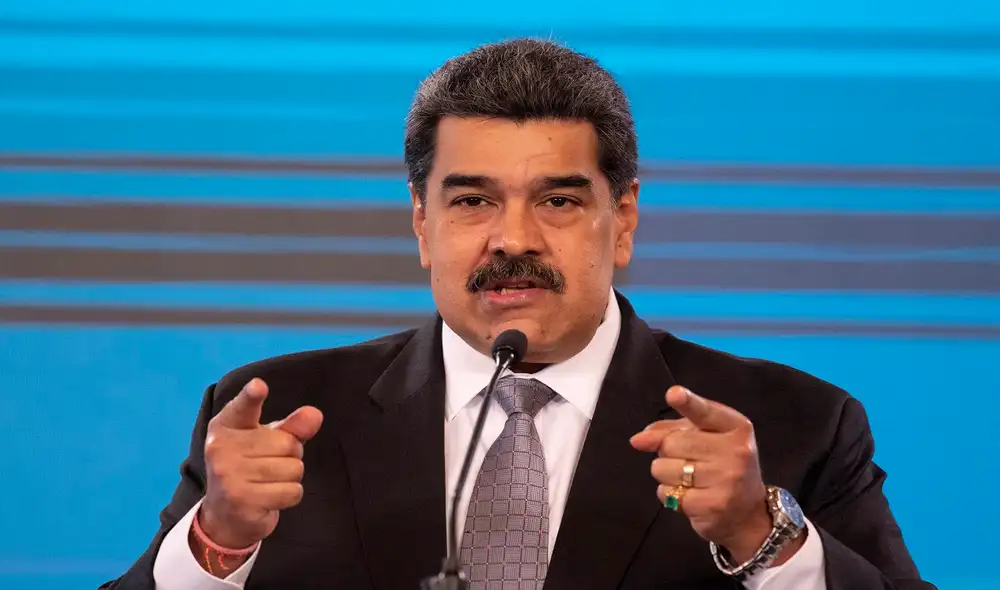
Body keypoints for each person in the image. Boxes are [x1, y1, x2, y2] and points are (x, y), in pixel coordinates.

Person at [102, 38, 935, 590]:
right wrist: (216, 544)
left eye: (559, 200)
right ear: (422, 225)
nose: (514, 240)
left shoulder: (792, 425)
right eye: (471, 200)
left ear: (626, 220)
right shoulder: (274, 417)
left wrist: (764, 537)